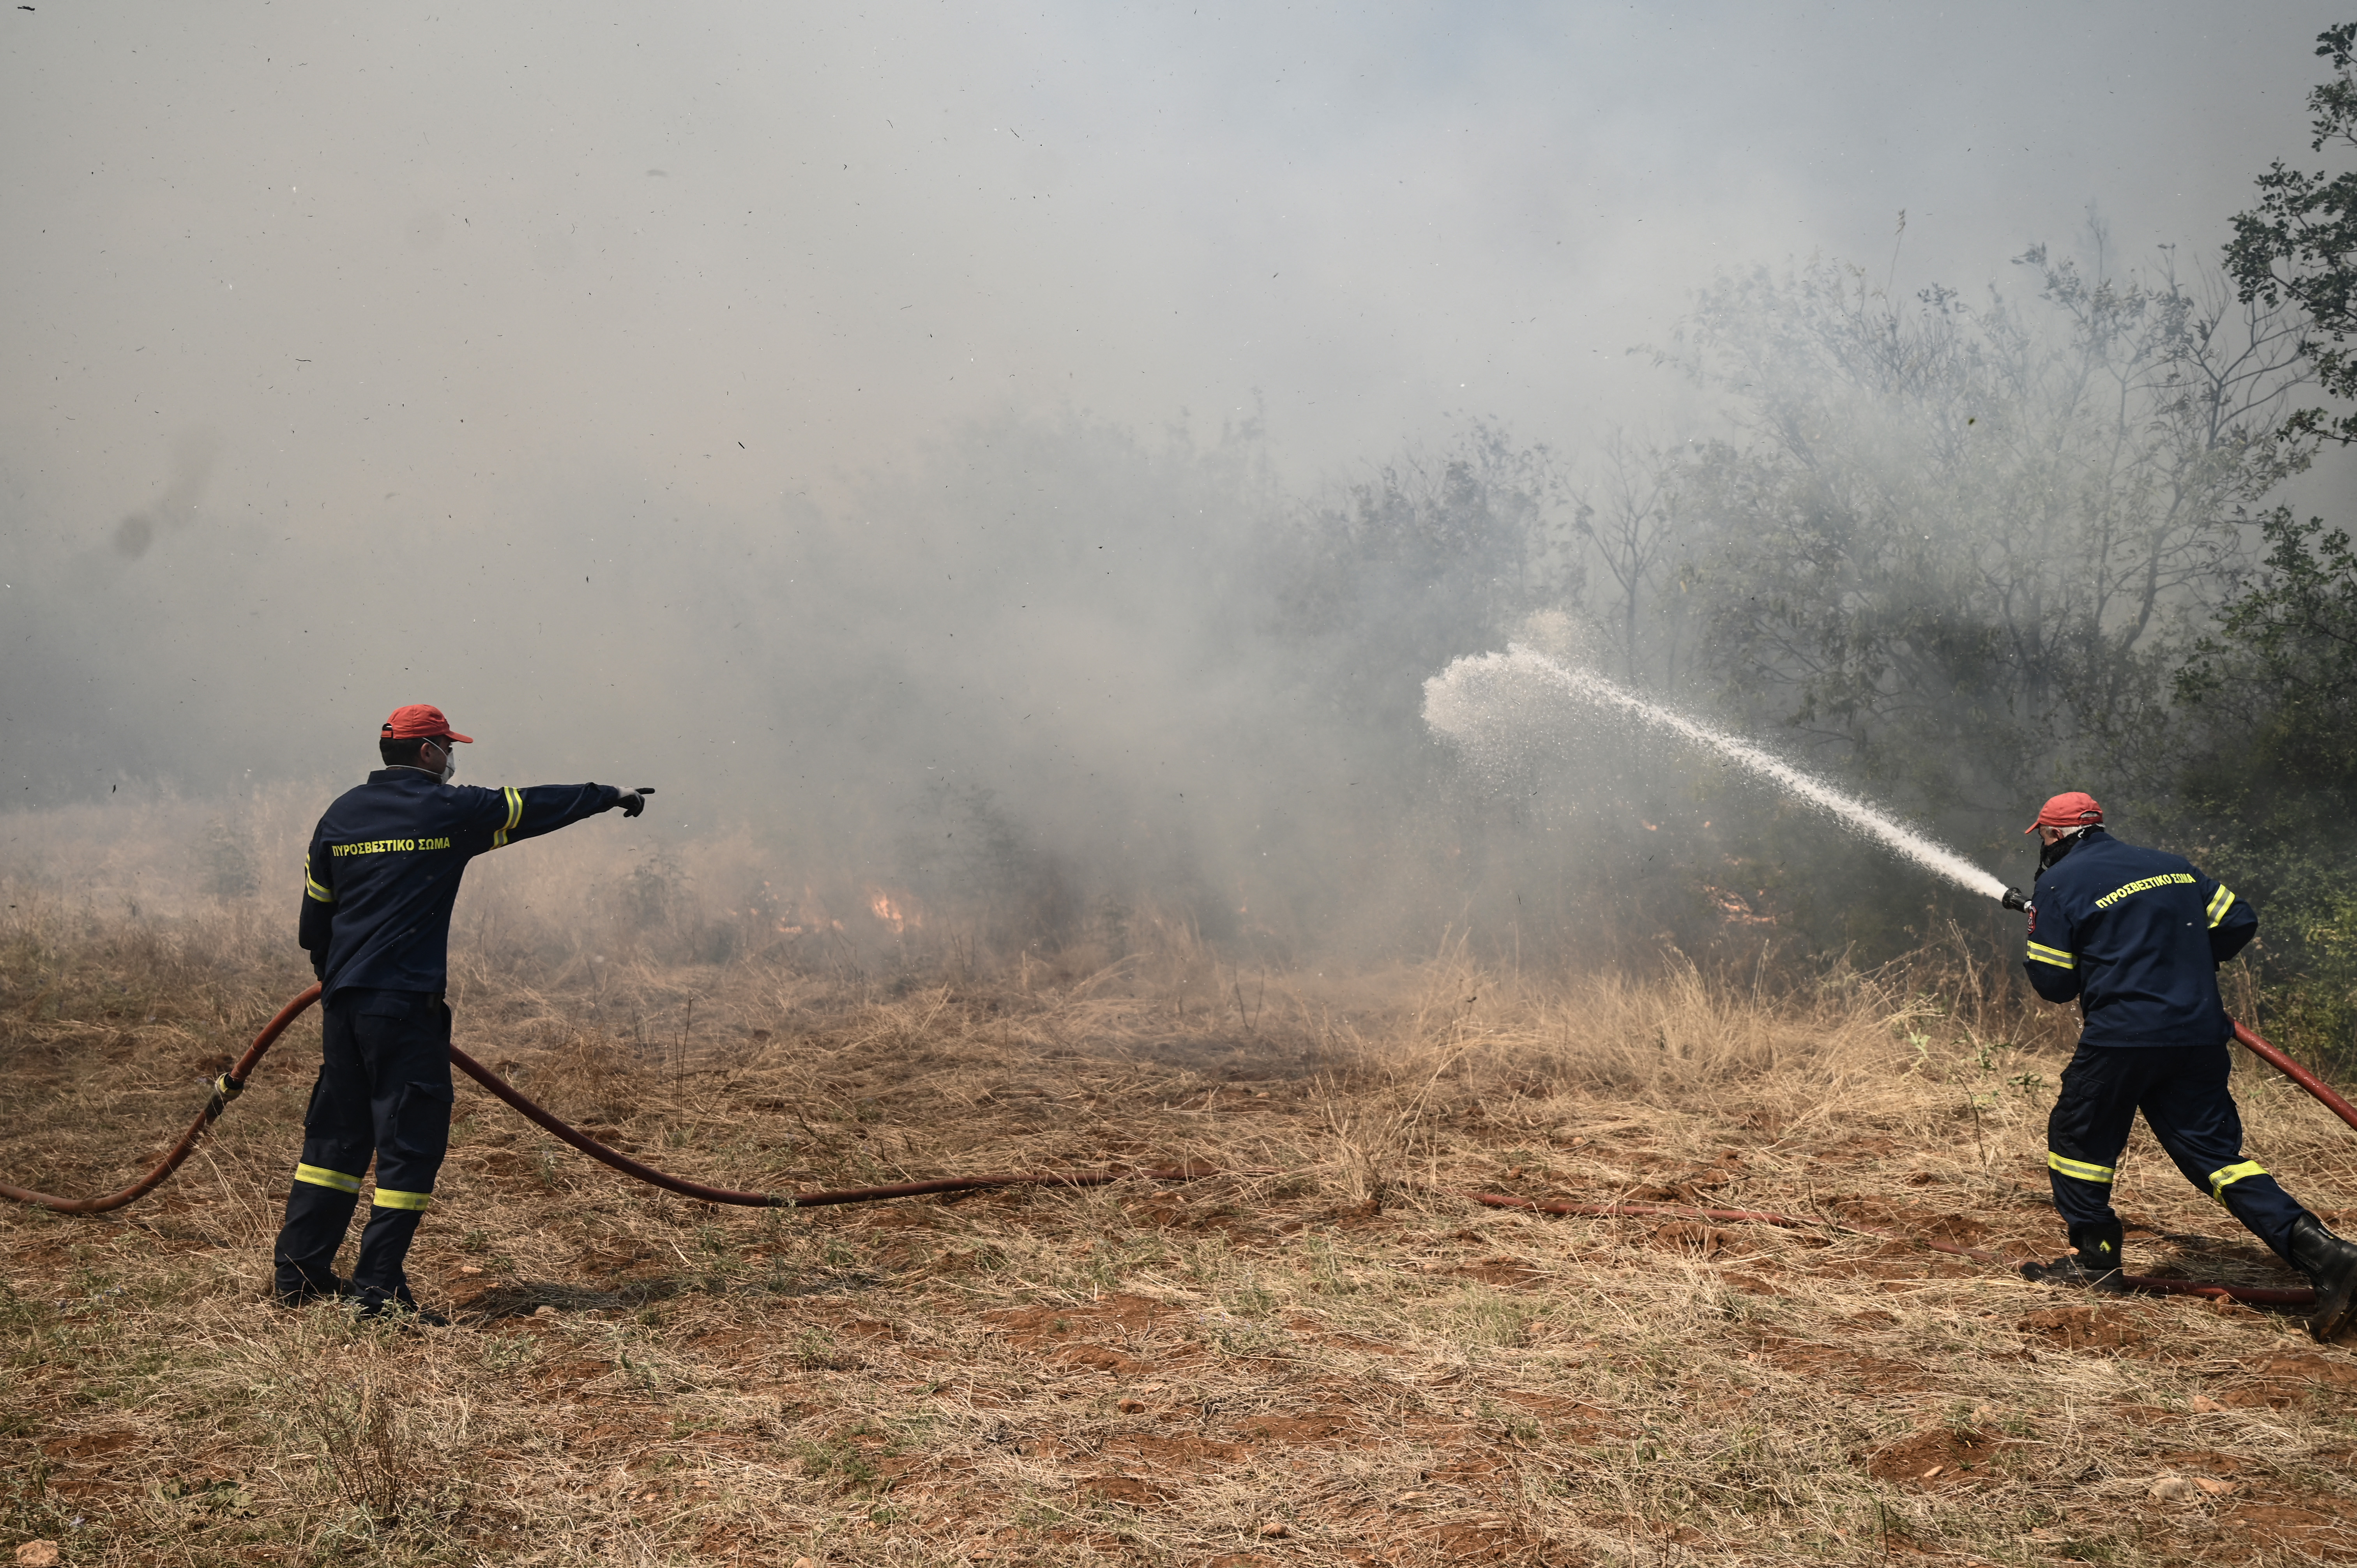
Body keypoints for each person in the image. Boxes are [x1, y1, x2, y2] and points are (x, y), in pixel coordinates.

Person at [273, 703, 648, 1322]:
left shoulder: (340, 815)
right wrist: (607, 795)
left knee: (335, 1142)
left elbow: (315, 924)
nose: (451, 759)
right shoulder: (447, 811)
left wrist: (338, 977)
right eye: (447, 748)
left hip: (343, 1008)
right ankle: (378, 1293)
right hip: (404, 1009)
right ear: (428, 752)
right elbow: (530, 807)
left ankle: (299, 1276)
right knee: (409, 1147)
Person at [2018, 791, 2357, 1341]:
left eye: (2043, 837)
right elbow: (2239, 920)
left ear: (2053, 836)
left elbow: (2054, 985)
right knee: (2214, 1157)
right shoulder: (2171, 867)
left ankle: (2095, 1259)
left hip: (2123, 1039)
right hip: (2198, 1036)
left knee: (2078, 1141)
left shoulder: (2058, 885)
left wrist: (2065, 938)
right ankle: (2327, 1256)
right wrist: (2183, 962)